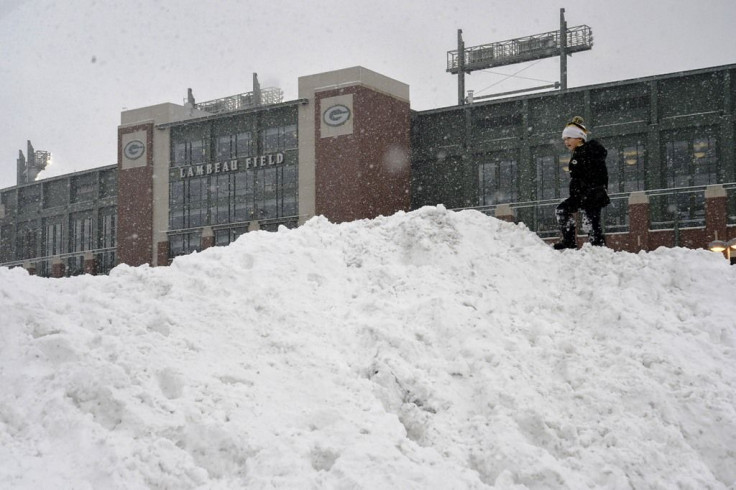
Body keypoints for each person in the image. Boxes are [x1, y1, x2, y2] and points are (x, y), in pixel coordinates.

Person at [553, 116, 610, 249]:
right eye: (564, 139)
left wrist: (595, 190)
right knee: (562, 210)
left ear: (579, 138)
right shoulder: (578, 153)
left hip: (592, 194)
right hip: (580, 195)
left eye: (569, 138)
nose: (566, 142)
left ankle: (598, 249)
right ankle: (569, 242)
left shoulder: (589, 152)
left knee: (590, 222)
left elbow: (599, 173)